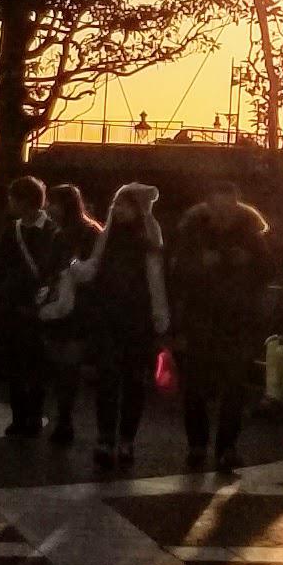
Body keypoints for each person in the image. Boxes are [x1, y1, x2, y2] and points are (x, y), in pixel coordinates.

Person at [168, 187, 271, 476]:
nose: (224, 214)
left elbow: (270, 269)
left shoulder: (251, 234)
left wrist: (247, 261)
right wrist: (202, 265)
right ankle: (198, 444)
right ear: (209, 207)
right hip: (201, 320)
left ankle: (226, 447)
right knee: (195, 387)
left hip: (236, 322)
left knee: (234, 388)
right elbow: (176, 273)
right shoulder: (193, 233)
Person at [73, 181, 167, 474]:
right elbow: (94, 267)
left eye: (124, 205)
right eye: (118, 205)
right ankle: (110, 439)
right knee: (112, 380)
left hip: (133, 318)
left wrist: (159, 314)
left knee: (130, 382)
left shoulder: (146, 237)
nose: (118, 210)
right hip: (114, 318)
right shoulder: (112, 236)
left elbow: (157, 280)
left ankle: (121, 439)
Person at [0, 178, 65, 442]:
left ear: (23, 201)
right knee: (22, 363)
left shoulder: (41, 231)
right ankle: (24, 416)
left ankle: (26, 416)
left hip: (31, 305)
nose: (9, 203)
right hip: (23, 305)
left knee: (31, 362)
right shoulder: (45, 230)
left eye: (13, 199)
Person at [37, 181, 103, 450]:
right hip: (79, 307)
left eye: (52, 203)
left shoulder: (65, 235)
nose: (49, 208)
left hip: (70, 308)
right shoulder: (91, 232)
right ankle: (64, 417)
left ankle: (64, 418)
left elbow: (51, 269)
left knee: (63, 364)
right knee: (66, 366)